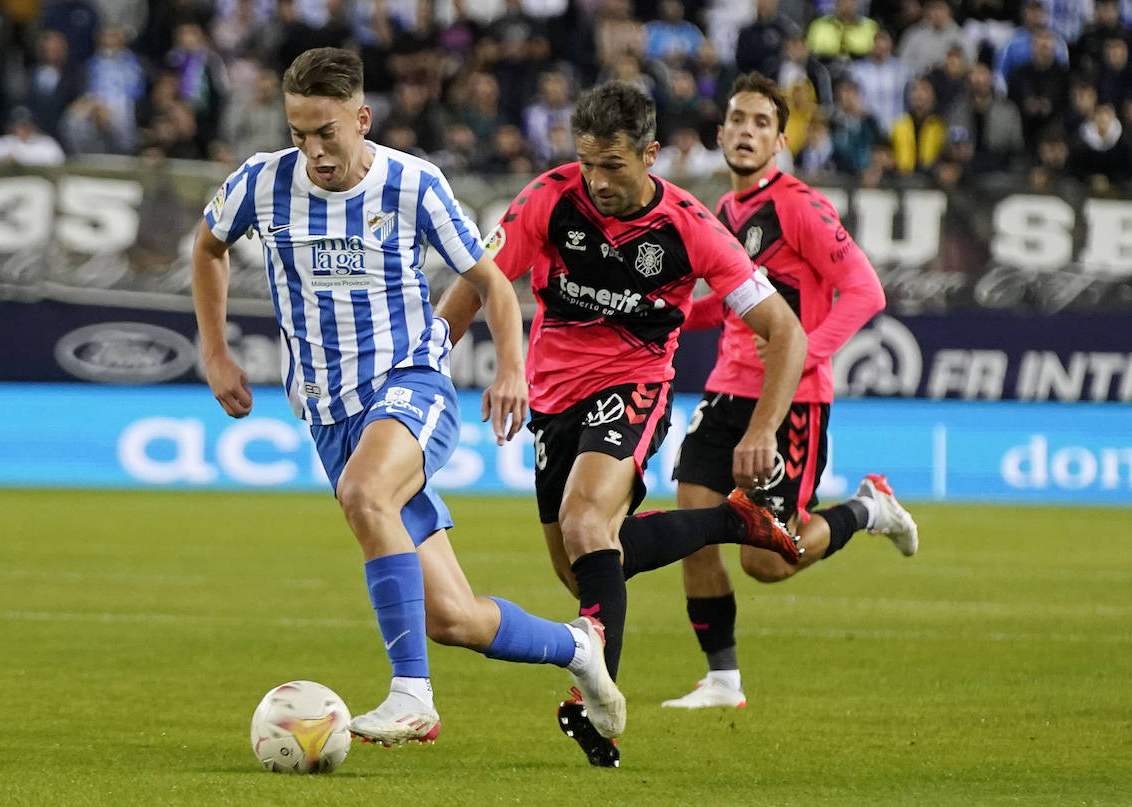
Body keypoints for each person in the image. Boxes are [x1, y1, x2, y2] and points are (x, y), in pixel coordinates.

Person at [190, 48, 624, 748]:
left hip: (410, 383)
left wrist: (511, 369)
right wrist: (215, 352)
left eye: (326, 132)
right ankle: (579, 645)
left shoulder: (413, 183)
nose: (313, 150)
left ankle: (411, 695)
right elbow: (207, 248)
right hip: (329, 416)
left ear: (361, 119)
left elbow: (491, 282)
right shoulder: (261, 183)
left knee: (365, 493)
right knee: (452, 618)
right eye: (298, 133)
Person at [436, 80, 809, 767]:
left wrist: (762, 430)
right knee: (584, 570)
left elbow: (785, 331)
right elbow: (476, 286)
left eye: (613, 165)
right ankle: (729, 519)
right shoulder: (548, 199)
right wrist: (426, 370)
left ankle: (597, 709)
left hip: (634, 386)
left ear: (650, 154)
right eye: (588, 164)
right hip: (553, 399)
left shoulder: (692, 227)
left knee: (585, 522)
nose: (598, 181)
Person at [624, 73, 918, 711]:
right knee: (694, 526)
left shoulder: (800, 207)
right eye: (738, 120)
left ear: (781, 142)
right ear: (720, 132)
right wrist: (664, 312)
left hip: (792, 399)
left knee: (769, 559)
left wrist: (808, 351)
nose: (747, 132)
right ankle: (722, 680)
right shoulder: (724, 213)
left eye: (762, 123)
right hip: (725, 390)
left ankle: (868, 509)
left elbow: (866, 290)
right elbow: (726, 305)